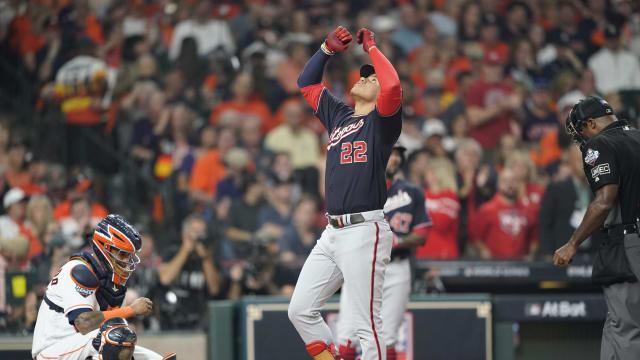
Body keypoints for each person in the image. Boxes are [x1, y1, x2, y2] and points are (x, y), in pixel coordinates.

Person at [288, 26, 401, 360]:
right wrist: (325, 49)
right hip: (333, 231)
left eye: (371, 78)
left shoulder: (383, 121)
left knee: (368, 324)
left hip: (365, 229)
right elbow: (306, 83)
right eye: (363, 75)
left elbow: (392, 84)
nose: (365, 78)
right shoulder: (339, 115)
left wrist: (373, 49)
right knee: (300, 310)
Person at [553, 96, 640, 359]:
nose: (581, 139)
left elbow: (604, 203)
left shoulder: (600, 144)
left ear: (591, 123)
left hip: (628, 242)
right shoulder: (637, 136)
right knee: (616, 323)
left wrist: (572, 243)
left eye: (580, 131)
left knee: (627, 327)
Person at [31, 214, 172, 359]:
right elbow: (84, 322)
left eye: (129, 256)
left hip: (82, 348)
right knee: (114, 336)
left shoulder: (113, 282)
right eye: (122, 254)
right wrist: (131, 310)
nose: (126, 261)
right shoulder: (78, 270)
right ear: (105, 248)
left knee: (138, 347)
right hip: (52, 350)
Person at [337, 145, 430, 360]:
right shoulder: (357, 187)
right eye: (390, 153)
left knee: (388, 338)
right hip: (362, 265)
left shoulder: (411, 192)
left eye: (398, 155)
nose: (394, 159)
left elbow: (422, 234)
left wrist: (394, 241)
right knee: (347, 336)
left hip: (396, 267)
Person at [156, 215, 222, 328]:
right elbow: (165, 279)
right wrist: (185, 250)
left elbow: (215, 289)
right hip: (173, 316)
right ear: (184, 234)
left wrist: (206, 258)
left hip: (201, 318)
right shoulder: (172, 253)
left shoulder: (208, 257)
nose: (199, 235)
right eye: (195, 231)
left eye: (202, 232)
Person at [471, 168, 536, 259]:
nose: (509, 184)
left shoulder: (527, 209)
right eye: (505, 181)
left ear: (519, 184)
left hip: (521, 265)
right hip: (495, 265)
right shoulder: (487, 209)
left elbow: (534, 236)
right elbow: (475, 237)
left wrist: (531, 254)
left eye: (513, 180)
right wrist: (484, 251)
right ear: (498, 184)